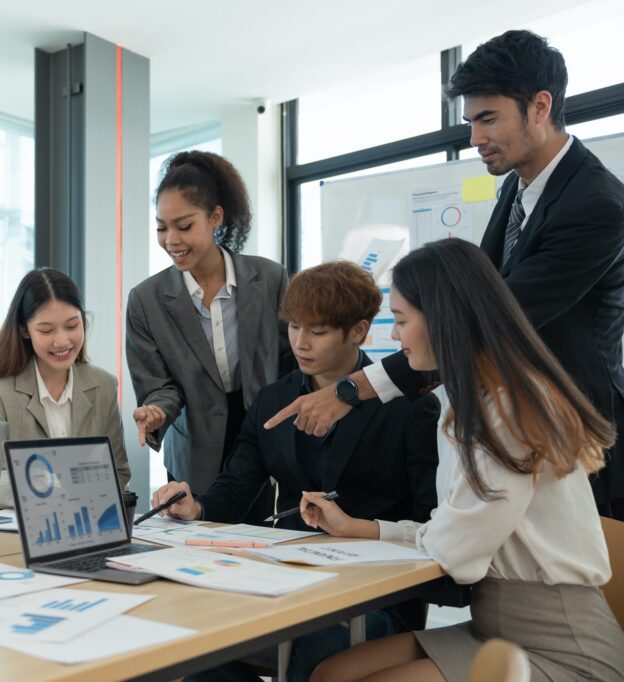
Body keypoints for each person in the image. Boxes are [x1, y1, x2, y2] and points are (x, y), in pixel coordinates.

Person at [267, 30, 624, 519]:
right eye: (470, 122)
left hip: (578, 442)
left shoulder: (595, 205)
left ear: (540, 107)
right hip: (515, 431)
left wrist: (354, 389)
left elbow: (488, 319)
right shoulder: (516, 192)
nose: (475, 138)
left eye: (487, 119)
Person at [302, 239, 624, 682]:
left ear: (442, 320)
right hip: (494, 629)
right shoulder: (463, 401)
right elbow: (455, 530)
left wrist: (407, 535)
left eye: (400, 321)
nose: (394, 337)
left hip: (562, 646)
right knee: (329, 675)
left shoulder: (506, 410)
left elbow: (459, 553)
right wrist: (365, 529)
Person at [149, 261, 439, 682]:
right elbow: (233, 490)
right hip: (288, 584)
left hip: (375, 596)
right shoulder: (274, 400)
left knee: (314, 646)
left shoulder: (407, 405)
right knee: (200, 643)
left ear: (358, 331)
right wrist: (195, 506)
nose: (300, 343)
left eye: (317, 331)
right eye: (293, 327)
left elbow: (430, 523)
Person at [127, 150, 291, 523]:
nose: (171, 240)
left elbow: (288, 363)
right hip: (193, 447)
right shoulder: (146, 300)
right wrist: (155, 411)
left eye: (184, 226)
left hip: (261, 440)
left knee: (255, 549)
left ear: (215, 217)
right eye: (161, 227)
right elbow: (159, 385)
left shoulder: (270, 279)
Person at [0, 268, 130, 507]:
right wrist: (58, 485)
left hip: (87, 525)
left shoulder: (103, 386)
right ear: (24, 330)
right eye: (46, 330)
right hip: (20, 535)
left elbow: (119, 473)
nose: (62, 341)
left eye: (72, 326)